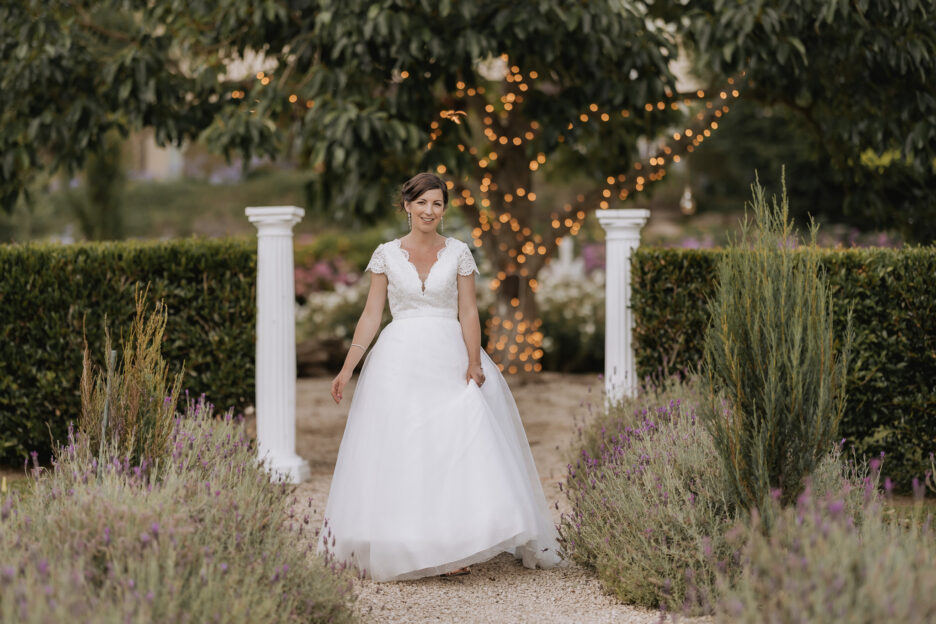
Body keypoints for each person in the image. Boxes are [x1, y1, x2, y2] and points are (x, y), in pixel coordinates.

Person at [316, 172, 563, 581]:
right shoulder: (385, 255)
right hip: (398, 360)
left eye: (437, 204)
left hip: (449, 356)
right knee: (406, 445)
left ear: (443, 210)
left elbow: (469, 311)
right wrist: (347, 368)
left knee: (453, 445)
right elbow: (371, 315)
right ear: (407, 206)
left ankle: (454, 542)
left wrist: (473, 361)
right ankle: (405, 540)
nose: (429, 211)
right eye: (422, 203)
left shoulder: (459, 252)